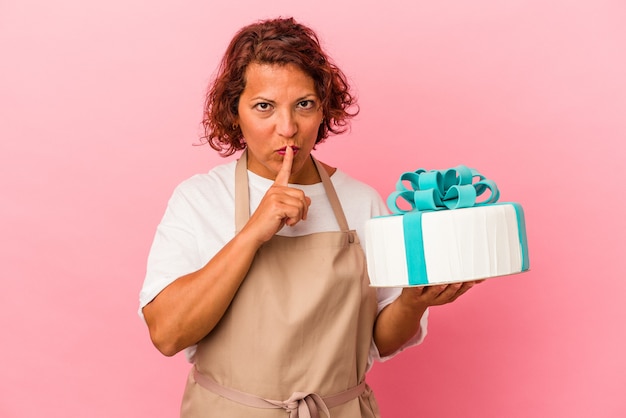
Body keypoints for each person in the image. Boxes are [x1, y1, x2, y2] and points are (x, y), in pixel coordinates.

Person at [139, 17, 479, 417]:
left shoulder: (361, 202)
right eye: (264, 107)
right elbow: (166, 334)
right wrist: (251, 234)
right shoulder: (199, 200)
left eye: (304, 104)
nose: (288, 129)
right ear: (235, 113)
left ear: (323, 110)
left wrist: (412, 303)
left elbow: (378, 341)